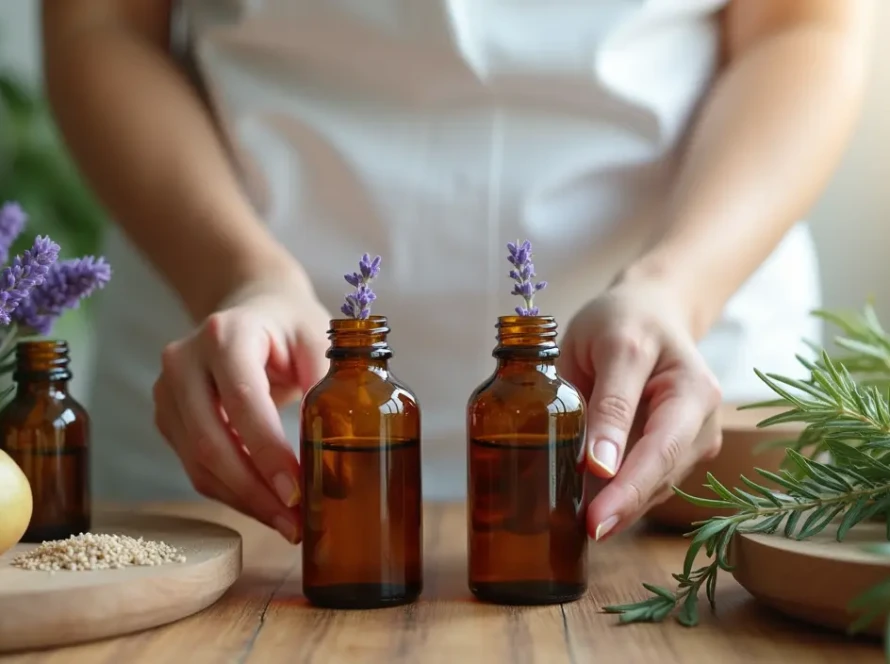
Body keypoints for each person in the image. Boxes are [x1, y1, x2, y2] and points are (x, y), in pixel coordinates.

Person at [41, 0, 872, 545]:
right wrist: (232, 273)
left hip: (668, 371)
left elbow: (806, 26)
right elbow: (99, 24)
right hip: (243, 400)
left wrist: (675, 288)